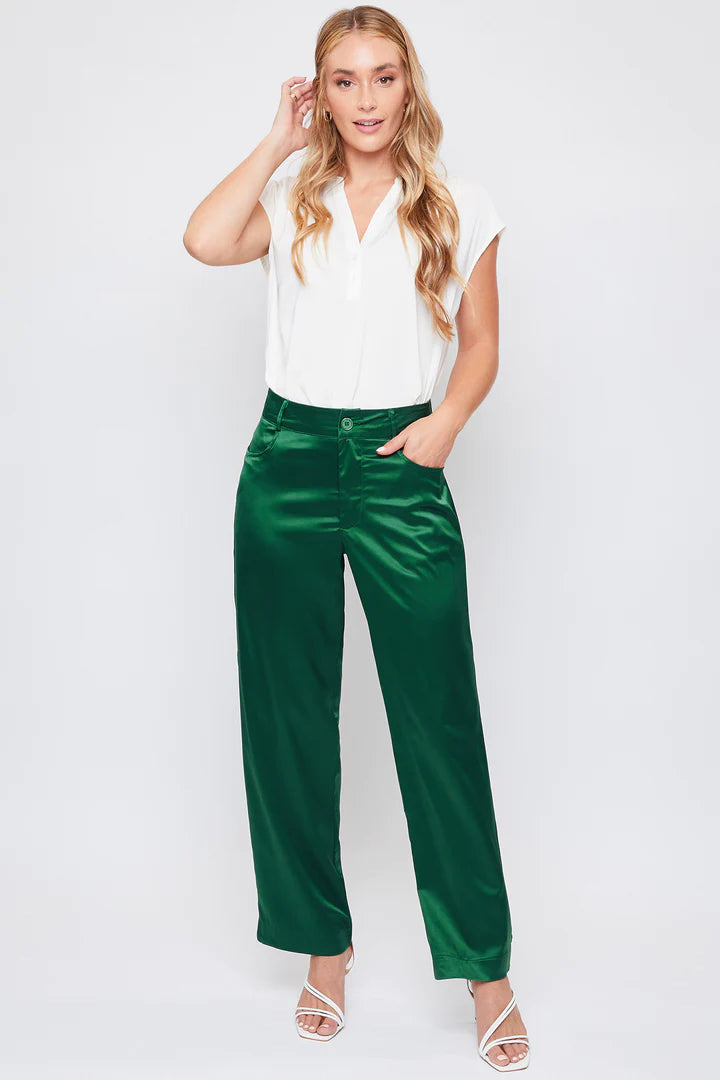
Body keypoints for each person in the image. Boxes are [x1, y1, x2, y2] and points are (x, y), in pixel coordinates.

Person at [183, 5, 530, 1071]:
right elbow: (203, 240)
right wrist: (275, 143)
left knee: (438, 717)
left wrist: (444, 426)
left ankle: (487, 972)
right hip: (286, 459)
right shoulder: (292, 195)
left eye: (384, 77)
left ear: (408, 85)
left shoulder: (460, 203)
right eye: (344, 80)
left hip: (397, 463)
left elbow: (481, 342)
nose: (367, 98)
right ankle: (321, 951)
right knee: (287, 715)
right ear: (319, 93)